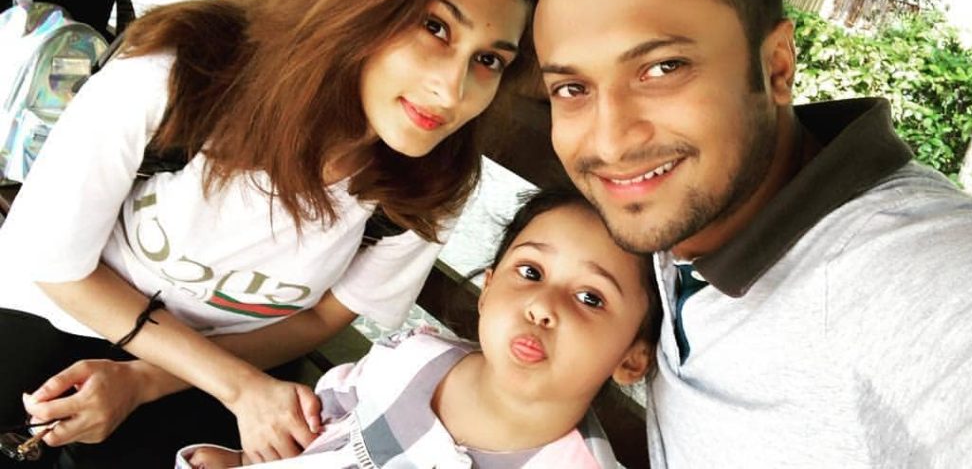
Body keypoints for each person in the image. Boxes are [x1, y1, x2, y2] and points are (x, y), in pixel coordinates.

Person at [0, 0, 535, 466]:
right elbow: (55, 266)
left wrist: (148, 381)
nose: (452, 92)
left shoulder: (430, 180)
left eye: (489, 60)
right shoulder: (175, 78)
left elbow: (323, 316)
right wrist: (230, 387)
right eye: (435, 27)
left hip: (229, 369)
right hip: (60, 313)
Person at [521, 0, 972, 467]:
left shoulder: (926, 273)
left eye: (662, 68)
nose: (611, 143)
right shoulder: (693, 216)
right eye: (572, 88)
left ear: (777, 66)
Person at [174, 187, 661, 469]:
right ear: (488, 288)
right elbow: (320, 436)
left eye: (590, 298)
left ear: (631, 359)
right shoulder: (410, 358)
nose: (542, 307)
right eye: (531, 272)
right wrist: (242, 461)